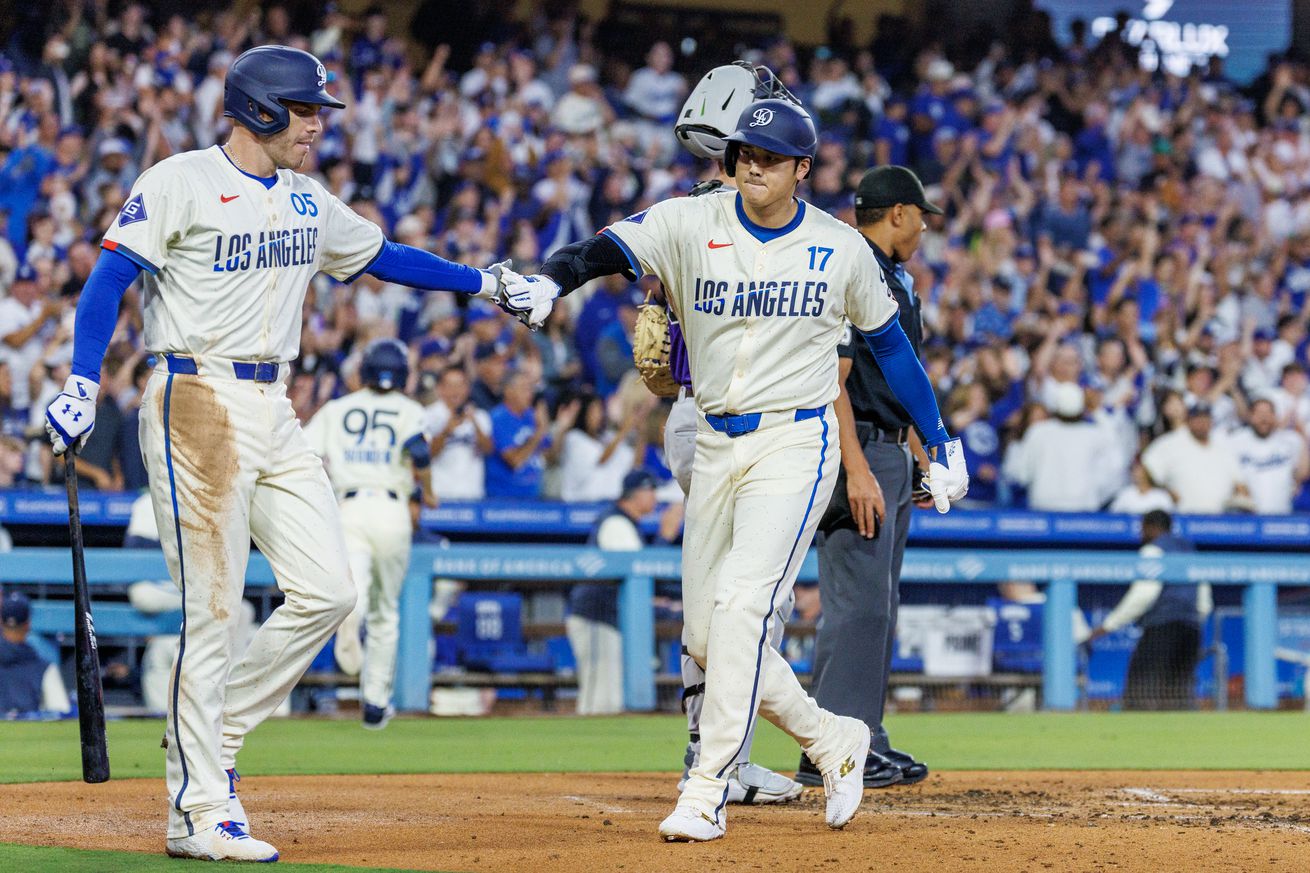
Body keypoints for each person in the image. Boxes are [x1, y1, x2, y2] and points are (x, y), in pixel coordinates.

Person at [42, 45, 530, 863]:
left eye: (318, 112)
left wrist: (484, 283)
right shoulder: (179, 179)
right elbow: (109, 279)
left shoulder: (308, 198)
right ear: (261, 108)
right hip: (192, 393)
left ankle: (211, 739)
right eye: (306, 111)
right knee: (214, 610)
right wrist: (83, 381)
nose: (317, 126)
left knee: (330, 590)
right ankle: (199, 806)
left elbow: (385, 258)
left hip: (276, 402)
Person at [500, 97, 969, 841]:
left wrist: (941, 441)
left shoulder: (838, 247)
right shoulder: (692, 222)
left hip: (796, 442)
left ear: (802, 170)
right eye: (745, 152)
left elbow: (891, 350)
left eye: (772, 157)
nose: (753, 164)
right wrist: (554, 282)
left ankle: (706, 786)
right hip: (716, 441)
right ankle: (830, 737)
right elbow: (606, 248)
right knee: (702, 638)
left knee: (742, 610)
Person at [664, 61, 810, 807]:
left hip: (694, 408)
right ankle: (729, 757)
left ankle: (709, 746)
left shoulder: (693, 206)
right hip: (741, 417)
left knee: (718, 600)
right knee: (751, 600)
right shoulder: (749, 210)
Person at [801, 165, 943, 794]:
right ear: (899, 213)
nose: (923, 228)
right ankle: (831, 746)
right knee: (856, 603)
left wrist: (921, 453)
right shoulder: (851, 267)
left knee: (875, 606)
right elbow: (836, 379)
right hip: (853, 448)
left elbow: (890, 385)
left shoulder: (890, 277)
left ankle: (865, 737)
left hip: (887, 448)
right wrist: (856, 465)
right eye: (921, 216)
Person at [303, 338, 434, 730]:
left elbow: (305, 453)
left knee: (353, 589)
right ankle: (375, 703)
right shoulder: (410, 409)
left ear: (364, 373)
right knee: (386, 610)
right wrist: (428, 491)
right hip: (392, 509)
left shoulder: (338, 408)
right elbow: (421, 455)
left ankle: (348, 619)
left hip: (349, 507)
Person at [565, 470, 679, 714]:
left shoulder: (627, 523)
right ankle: (585, 747)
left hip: (608, 621)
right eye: (651, 492)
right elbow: (638, 570)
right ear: (636, 494)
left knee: (607, 698)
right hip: (596, 618)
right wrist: (664, 537)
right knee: (600, 699)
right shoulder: (615, 522)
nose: (655, 499)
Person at [1086, 510, 1211, 709]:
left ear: (1151, 527)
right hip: (1191, 628)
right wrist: (1196, 620)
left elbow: (1144, 594)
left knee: (1141, 689)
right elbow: (1204, 597)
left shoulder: (1154, 550)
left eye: (1142, 528)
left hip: (1162, 628)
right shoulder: (1189, 549)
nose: (1140, 534)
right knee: (1178, 692)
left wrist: (1107, 626)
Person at [1002, 381, 1122, 511]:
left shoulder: (1039, 432)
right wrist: (1096, 410)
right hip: (1081, 507)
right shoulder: (1093, 433)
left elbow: (1022, 474)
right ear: (1082, 406)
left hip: (1046, 507)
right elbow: (1116, 460)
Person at [1140, 401, 1247, 513]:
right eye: (1197, 418)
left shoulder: (1223, 446)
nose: (1202, 422)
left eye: (1205, 418)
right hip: (1183, 518)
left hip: (1219, 521)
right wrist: (1165, 491)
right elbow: (1145, 469)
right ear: (1188, 420)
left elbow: (1240, 483)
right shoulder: (1171, 442)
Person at [1229, 397, 1309, 515]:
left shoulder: (1291, 440)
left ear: (1275, 416)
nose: (1264, 418)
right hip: (1245, 518)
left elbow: (1303, 473)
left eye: (1268, 413)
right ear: (1250, 416)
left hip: (1281, 516)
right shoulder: (1235, 441)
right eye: (1259, 413)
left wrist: (1296, 481)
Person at [423, 366, 492, 501]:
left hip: (472, 494)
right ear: (439, 388)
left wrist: (475, 424)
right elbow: (425, 456)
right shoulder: (427, 416)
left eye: (460, 385)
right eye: (450, 385)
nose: (455, 391)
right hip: (440, 493)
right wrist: (446, 432)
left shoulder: (480, 416)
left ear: (468, 389)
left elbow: (488, 450)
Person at [0, 591, 71, 715]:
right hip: (25, 730)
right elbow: (61, 713)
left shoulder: (44, 667)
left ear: (1, 621)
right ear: (28, 624)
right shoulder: (45, 668)